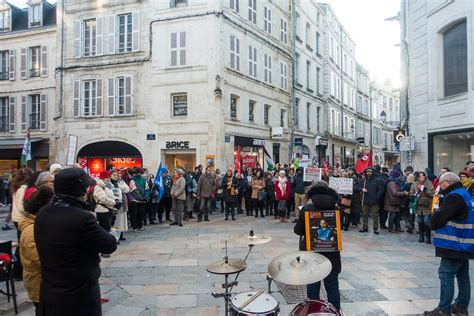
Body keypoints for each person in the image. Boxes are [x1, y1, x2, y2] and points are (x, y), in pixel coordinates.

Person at [35, 168, 117, 316]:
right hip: (78, 293)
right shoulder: (81, 218)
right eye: (86, 188)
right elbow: (109, 244)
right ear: (81, 191)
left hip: (50, 290)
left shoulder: (43, 212)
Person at [424, 172, 473, 316]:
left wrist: (432, 221)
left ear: (449, 182)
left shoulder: (454, 196)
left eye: (441, 183)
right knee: (462, 274)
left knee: (446, 273)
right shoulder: (464, 193)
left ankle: (443, 309)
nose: (440, 186)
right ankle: (461, 306)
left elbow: (440, 217)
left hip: (454, 243)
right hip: (464, 242)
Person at [294, 181, 342, 312]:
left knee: (313, 285)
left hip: (312, 254)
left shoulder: (307, 209)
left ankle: (313, 311)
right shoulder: (337, 209)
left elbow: (298, 230)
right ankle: (335, 312)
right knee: (332, 286)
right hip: (332, 254)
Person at [20, 185, 54, 312]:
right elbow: (41, 260)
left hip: (45, 283)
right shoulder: (31, 231)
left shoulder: (40, 223)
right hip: (39, 285)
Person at [410, 171, 435, 244]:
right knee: (420, 222)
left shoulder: (429, 183)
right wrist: (411, 195)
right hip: (418, 206)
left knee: (426, 222)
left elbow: (432, 193)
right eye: (420, 176)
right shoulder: (415, 184)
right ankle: (421, 236)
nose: (422, 177)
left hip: (427, 206)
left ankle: (428, 237)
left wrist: (425, 190)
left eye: (423, 176)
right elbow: (411, 192)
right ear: (417, 177)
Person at [94, 170, 120, 235]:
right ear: (103, 178)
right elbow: (103, 199)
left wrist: (116, 200)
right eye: (107, 178)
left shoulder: (104, 186)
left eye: (108, 178)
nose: (108, 179)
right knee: (104, 230)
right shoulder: (98, 187)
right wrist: (114, 202)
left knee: (107, 229)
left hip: (107, 210)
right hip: (103, 211)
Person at [359, 167, 383, 235]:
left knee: (375, 215)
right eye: (367, 172)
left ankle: (375, 228)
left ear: (372, 173)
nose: (369, 173)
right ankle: (365, 227)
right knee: (365, 215)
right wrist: (361, 189)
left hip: (374, 201)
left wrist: (377, 196)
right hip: (365, 200)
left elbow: (381, 189)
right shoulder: (363, 180)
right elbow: (358, 187)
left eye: (370, 172)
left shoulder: (377, 180)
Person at [110, 169, 129, 240]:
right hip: (115, 203)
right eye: (115, 174)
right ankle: (116, 236)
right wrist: (121, 188)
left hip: (122, 202)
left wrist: (120, 188)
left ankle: (120, 235)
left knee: (121, 220)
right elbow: (115, 190)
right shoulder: (110, 182)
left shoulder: (121, 181)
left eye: (118, 174)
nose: (118, 175)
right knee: (116, 221)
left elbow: (127, 189)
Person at [129, 167, 149, 232]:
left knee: (141, 214)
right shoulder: (132, 180)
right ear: (135, 173)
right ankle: (135, 227)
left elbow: (147, 189)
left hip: (142, 200)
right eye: (137, 173)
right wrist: (141, 198)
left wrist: (145, 197)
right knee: (135, 214)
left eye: (140, 173)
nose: (139, 174)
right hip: (135, 200)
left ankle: (140, 226)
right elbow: (134, 190)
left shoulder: (144, 180)